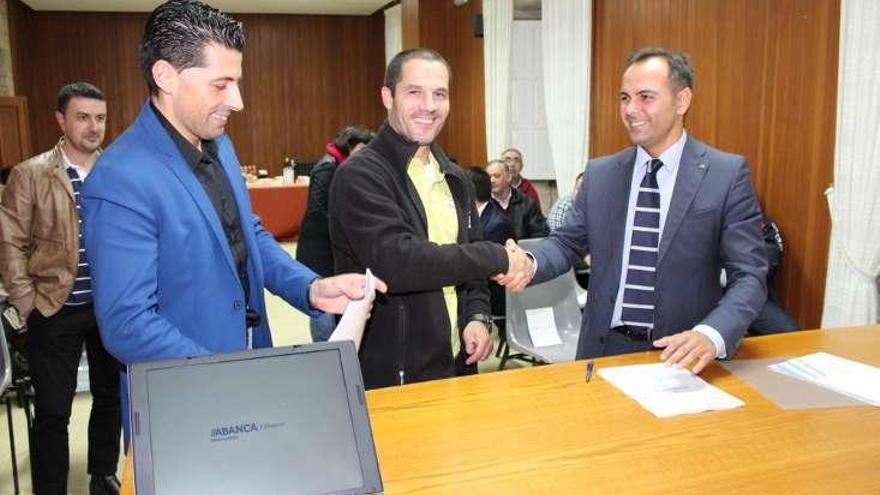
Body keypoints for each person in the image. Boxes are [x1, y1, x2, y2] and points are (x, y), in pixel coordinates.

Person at [80, 0, 382, 436]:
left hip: (247, 369)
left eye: (237, 83)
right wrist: (227, 376)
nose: (237, 101)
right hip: (182, 401)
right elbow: (128, 325)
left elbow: (248, 236)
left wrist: (310, 287)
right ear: (166, 76)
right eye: (221, 85)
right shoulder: (121, 179)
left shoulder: (219, 144)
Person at [499, 47, 767, 374]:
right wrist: (531, 261)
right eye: (624, 98)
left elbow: (749, 275)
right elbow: (567, 244)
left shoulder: (725, 175)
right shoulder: (601, 174)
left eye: (645, 97)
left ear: (682, 101)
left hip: (684, 354)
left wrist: (711, 334)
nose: (630, 109)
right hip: (605, 348)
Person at [329, 48, 531, 389]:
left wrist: (476, 317)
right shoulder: (360, 176)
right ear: (387, 97)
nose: (429, 105)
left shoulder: (456, 177)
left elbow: (471, 264)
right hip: (394, 376)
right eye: (414, 92)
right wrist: (498, 257)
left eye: (440, 94)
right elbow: (399, 262)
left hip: (456, 364)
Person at [0, 82, 122, 495]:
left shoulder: (116, 172)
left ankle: (102, 474)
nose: (93, 127)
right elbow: (10, 242)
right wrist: (26, 302)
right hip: (53, 307)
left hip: (108, 308)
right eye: (83, 117)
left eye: (100, 118)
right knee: (54, 410)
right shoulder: (31, 174)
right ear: (61, 120)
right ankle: (50, 488)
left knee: (110, 398)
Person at [297, 126, 374, 342]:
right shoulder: (327, 168)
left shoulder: (343, 166)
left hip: (332, 247)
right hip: (319, 250)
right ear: (349, 146)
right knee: (323, 307)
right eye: (361, 149)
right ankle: (324, 351)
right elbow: (318, 210)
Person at [486, 159, 549, 240]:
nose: (492, 180)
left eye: (497, 176)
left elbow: (539, 234)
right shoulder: (483, 202)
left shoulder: (527, 202)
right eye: (489, 177)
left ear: (509, 177)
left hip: (521, 249)